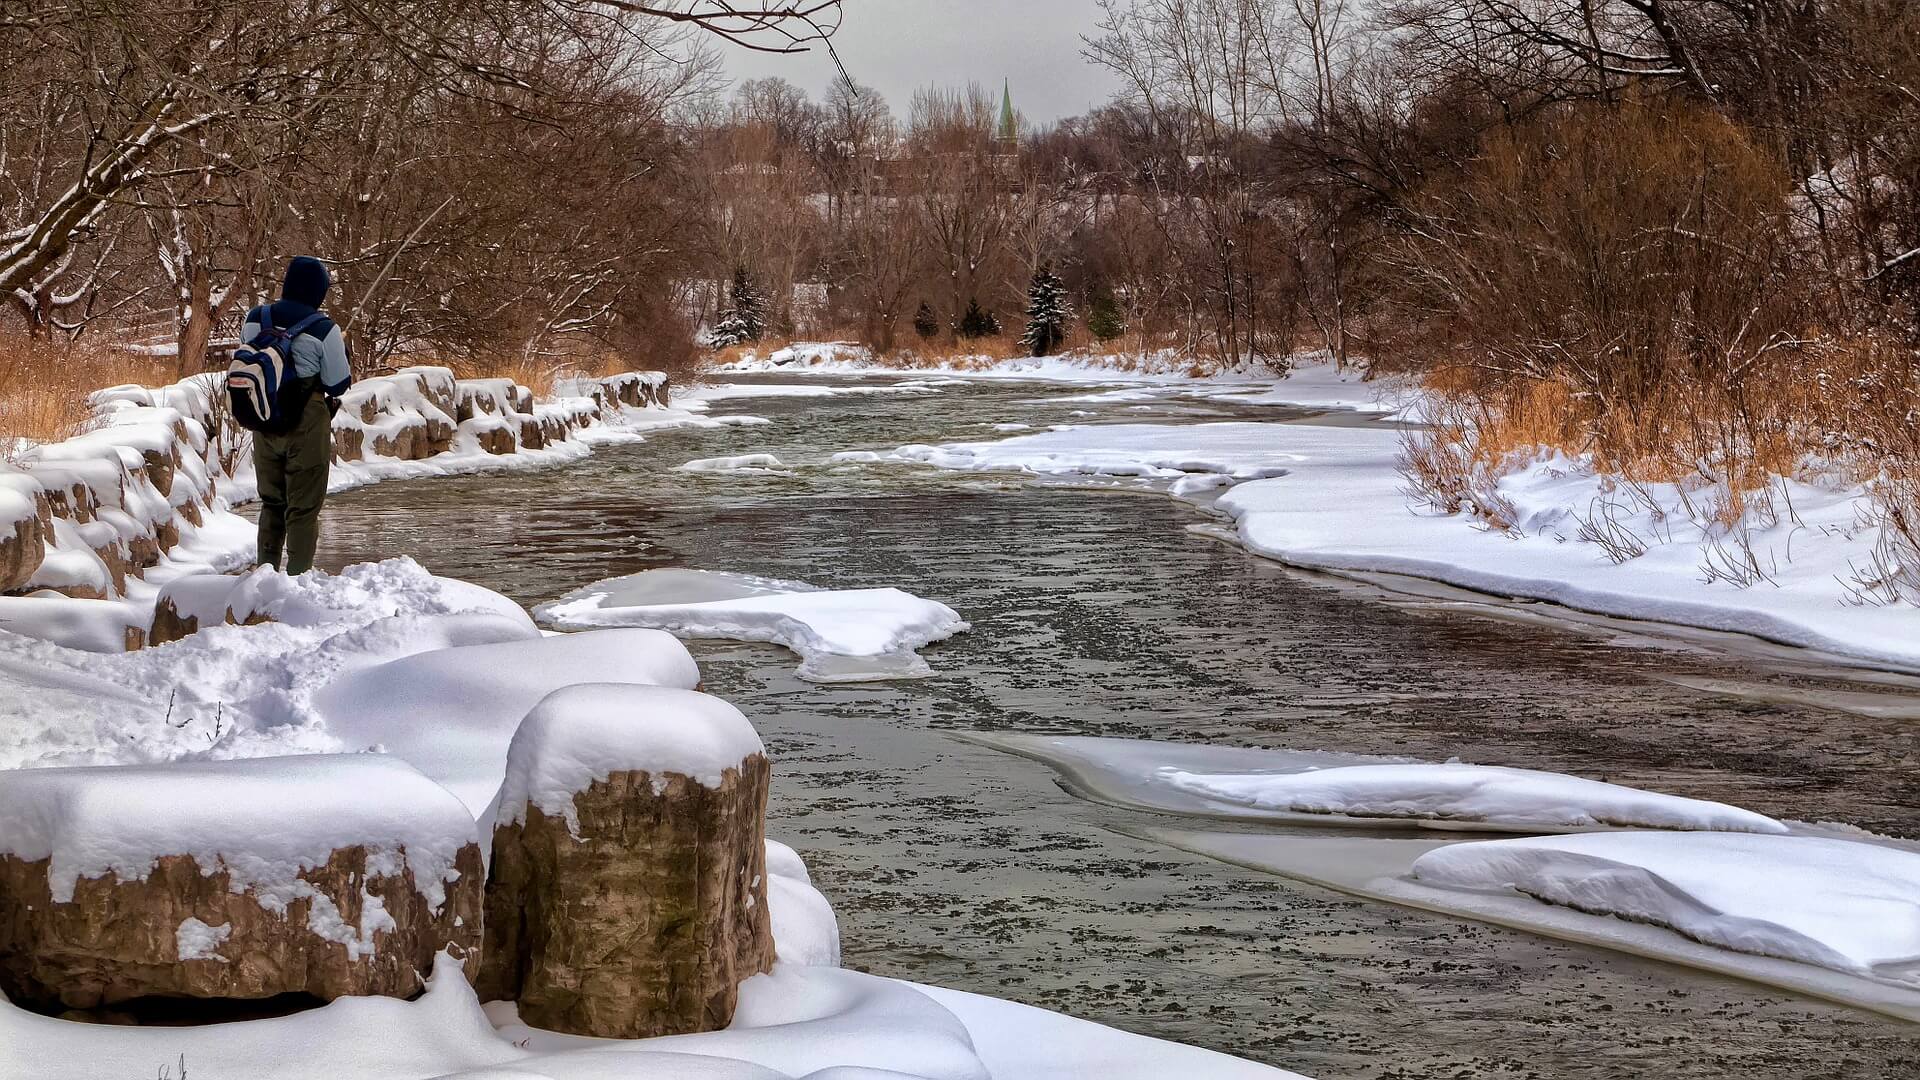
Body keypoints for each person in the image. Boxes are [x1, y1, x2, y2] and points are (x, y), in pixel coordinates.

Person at [242, 256, 351, 575]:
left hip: (264, 420)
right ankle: (298, 581)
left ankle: (265, 579)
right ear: (319, 291)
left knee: (272, 503)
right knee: (302, 510)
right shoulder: (324, 329)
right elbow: (337, 383)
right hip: (307, 423)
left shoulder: (255, 318)